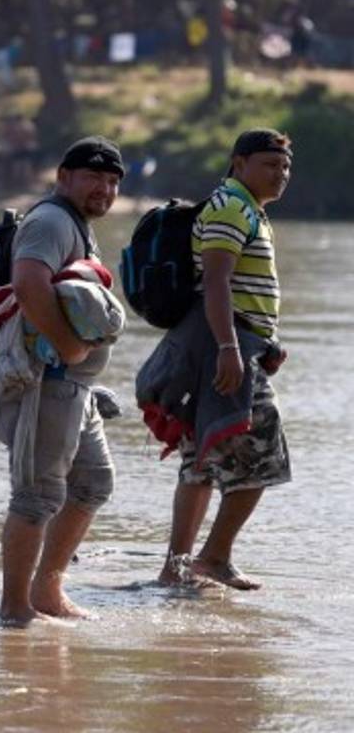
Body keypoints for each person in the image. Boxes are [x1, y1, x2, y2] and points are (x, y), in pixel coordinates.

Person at [153, 129, 293, 591]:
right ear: (239, 163)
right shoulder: (232, 207)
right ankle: (213, 558)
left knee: (202, 461)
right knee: (263, 458)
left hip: (228, 347)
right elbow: (215, 282)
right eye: (270, 165)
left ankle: (175, 570)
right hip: (224, 351)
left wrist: (266, 342)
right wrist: (233, 349)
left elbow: (237, 290)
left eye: (285, 166)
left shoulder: (247, 208)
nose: (280, 175)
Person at [0, 136, 124, 625]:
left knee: (91, 483)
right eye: (93, 177)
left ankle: (46, 592)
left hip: (73, 385)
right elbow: (29, 285)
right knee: (36, 496)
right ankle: (14, 610)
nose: (104, 189)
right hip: (42, 379)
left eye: (112, 181)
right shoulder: (50, 221)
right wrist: (70, 349)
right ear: (63, 177)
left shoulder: (77, 225)